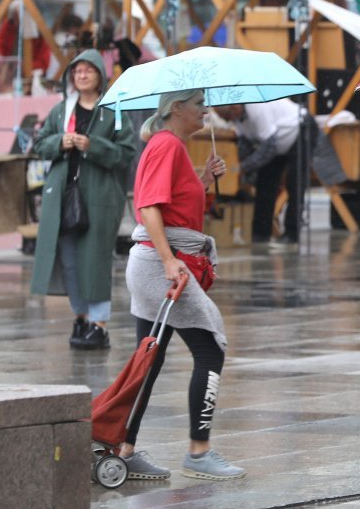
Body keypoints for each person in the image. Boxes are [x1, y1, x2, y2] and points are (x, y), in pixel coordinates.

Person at [122, 88, 245, 481]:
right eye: (198, 104)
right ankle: (198, 451)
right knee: (211, 348)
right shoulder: (167, 145)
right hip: (163, 265)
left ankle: (122, 449)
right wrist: (168, 260)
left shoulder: (170, 147)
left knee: (150, 359)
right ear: (176, 109)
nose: (205, 110)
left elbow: (173, 204)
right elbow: (149, 207)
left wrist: (203, 180)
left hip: (158, 262)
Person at [30, 49, 136, 350]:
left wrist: (93, 146)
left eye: (89, 70)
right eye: (77, 71)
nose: (82, 75)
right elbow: (40, 145)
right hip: (62, 197)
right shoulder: (62, 111)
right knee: (70, 261)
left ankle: (99, 324)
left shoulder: (114, 112)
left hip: (99, 198)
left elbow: (126, 153)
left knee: (96, 259)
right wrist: (58, 142)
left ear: (101, 76)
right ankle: (81, 316)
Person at [212, 100, 306, 246]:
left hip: (299, 130)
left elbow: (269, 145)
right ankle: (261, 234)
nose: (228, 121)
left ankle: (292, 234)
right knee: (265, 185)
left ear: (235, 107)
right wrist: (239, 167)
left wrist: (244, 167)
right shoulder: (236, 116)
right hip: (278, 142)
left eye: (228, 117)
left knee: (295, 185)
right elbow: (245, 143)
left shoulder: (256, 107)